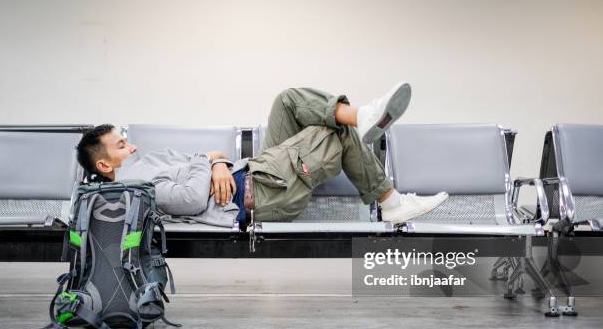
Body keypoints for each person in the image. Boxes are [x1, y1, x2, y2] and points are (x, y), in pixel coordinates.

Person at [75, 83, 448, 227]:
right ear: (105, 164)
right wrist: (210, 165)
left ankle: (363, 114)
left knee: (287, 101)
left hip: (254, 172)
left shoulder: (145, 164)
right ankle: (390, 200)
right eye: (122, 146)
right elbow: (189, 198)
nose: (133, 146)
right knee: (333, 131)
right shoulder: (132, 184)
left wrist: (216, 163)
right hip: (261, 192)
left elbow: (209, 156)